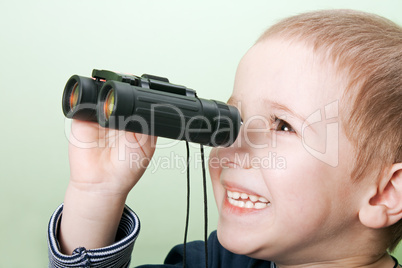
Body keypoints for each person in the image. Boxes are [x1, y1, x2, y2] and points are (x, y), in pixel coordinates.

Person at [48, 9, 402, 268]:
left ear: (386, 193)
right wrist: (95, 193)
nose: (232, 141)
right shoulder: (218, 261)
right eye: (234, 117)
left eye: (282, 126)